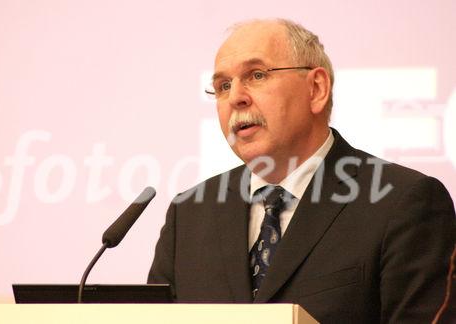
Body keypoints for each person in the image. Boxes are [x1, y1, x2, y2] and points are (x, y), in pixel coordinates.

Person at [148, 18, 456, 323]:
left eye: (256, 75)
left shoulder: (403, 202)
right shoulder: (189, 214)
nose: (236, 97)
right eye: (223, 86)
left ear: (316, 89)